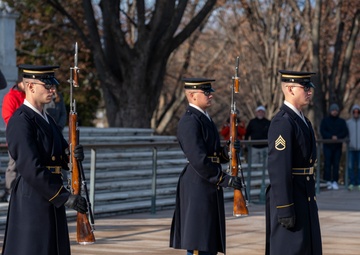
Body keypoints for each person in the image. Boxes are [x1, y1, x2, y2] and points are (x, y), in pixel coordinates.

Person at [2, 64, 87, 255]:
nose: (53, 90)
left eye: (53, 85)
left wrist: (72, 155)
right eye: (47, 86)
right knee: (34, 248)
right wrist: (64, 197)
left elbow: (58, 153)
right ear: (30, 86)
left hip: (51, 193)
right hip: (33, 196)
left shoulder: (47, 118)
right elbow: (30, 167)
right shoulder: (21, 120)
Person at [169, 78, 243, 255]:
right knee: (199, 242)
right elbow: (199, 159)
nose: (211, 95)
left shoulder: (204, 118)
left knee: (208, 241)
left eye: (210, 92)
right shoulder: (190, 121)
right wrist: (223, 179)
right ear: (193, 95)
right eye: (206, 92)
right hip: (198, 184)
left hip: (207, 184)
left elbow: (214, 154)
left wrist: (228, 151)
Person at [265, 70, 322, 255]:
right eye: (305, 87)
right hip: (291, 199)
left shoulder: (302, 120)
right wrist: (284, 208)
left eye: (309, 87)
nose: (309, 91)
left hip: (303, 195)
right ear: (289, 89)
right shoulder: (283, 122)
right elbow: (278, 168)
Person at [1, 78, 26, 202]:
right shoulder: (10, 96)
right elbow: (8, 117)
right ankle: (10, 191)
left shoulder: (26, 96)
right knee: (13, 165)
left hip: (28, 136)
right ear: (21, 83)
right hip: (15, 136)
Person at [320, 103, 348, 190]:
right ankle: (327, 181)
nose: (334, 112)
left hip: (337, 146)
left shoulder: (342, 122)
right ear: (330, 111)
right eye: (333, 110)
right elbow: (322, 131)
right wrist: (331, 137)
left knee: (336, 164)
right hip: (327, 146)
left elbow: (345, 132)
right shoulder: (325, 121)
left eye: (336, 110)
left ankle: (335, 181)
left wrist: (337, 137)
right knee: (327, 163)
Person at [346, 104, 360, 191]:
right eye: (354, 111)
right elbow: (345, 134)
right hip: (351, 148)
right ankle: (351, 182)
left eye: (357, 111)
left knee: (359, 167)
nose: (356, 113)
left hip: (359, 148)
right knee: (350, 166)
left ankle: (358, 183)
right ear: (352, 112)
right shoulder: (348, 123)